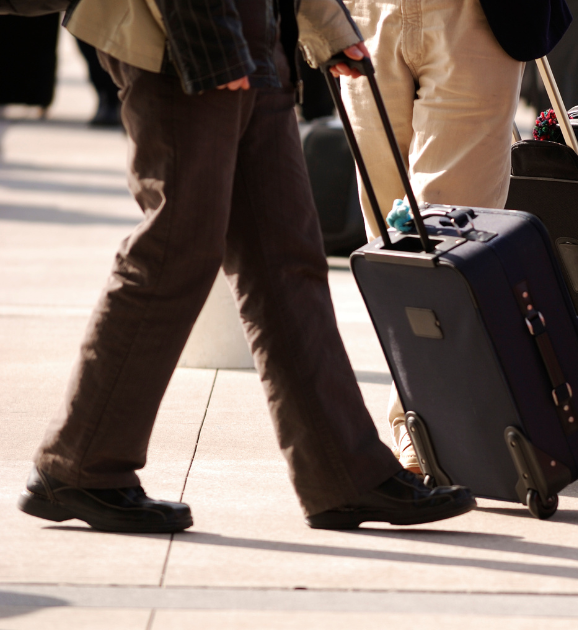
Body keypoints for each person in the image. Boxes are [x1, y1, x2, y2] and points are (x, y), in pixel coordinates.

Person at [16, 0, 476, 533]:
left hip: (259, 31)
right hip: (186, 31)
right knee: (175, 248)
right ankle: (79, 464)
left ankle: (346, 476)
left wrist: (326, 27)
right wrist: (210, 40)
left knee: (288, 261)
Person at [340, 0, 571, 474]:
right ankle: (434, 415)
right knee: (389, 237)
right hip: (363, 15)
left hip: (472, 19)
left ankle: (422, 423)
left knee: (448, 235)